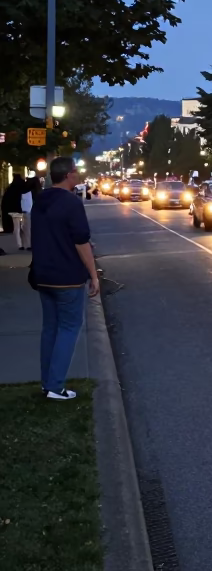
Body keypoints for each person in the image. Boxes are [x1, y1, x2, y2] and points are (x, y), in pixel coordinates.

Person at [31, 156, 99, 402]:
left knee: (50, 329)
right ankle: (55, 386)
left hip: (43, 275)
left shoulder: (41, 201)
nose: (78, 175)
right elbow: (80, 242)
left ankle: (46, 383)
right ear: (69, 174)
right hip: (67, 276)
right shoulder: (71, 203)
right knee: (69, 328)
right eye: (76, 171)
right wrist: (93, 275)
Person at [2, 174, 27, 249]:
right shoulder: (22, 187)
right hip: (20, 210)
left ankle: (20, 244)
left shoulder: (10, 188)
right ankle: (24, 243)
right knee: (23, 227)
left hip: (12, 210)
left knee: (17, 228)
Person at [20, 175, 42, 250]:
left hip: (28, 211)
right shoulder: (39, 191)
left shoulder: (26, 191)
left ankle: (28, 244)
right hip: (38, 211)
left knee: (27, 228)